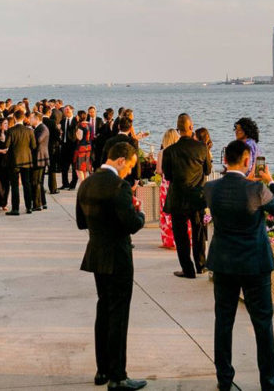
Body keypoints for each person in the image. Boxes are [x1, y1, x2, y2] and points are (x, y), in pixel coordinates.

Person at [205, 140, 274, 391]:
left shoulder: (211, 188)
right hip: (255, 263)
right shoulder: (256, 189)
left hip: (224, 263)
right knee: (263, 323)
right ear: (245, 159)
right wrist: (269, 180)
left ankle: (224, 378)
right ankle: (269, 382)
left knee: (224, 321)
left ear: (225, 160)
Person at [75, 142, 147, 391]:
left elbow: (81, 223)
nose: (129, 171)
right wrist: (141, 214)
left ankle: (102, 369)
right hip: (117, 256)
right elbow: (131, 224)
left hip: (96, 253)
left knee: (103, 309)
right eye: (129, 166)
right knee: (118, 314)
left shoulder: (86, 183)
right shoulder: (119, 186)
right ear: (120, 160)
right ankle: (118, 376)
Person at [162, 113, 212, 279]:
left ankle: (187, 269)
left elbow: (168, 176)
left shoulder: (169, 151)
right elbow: (208, 170)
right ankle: (201, 265)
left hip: (177, 198)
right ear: (191, 127)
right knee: (198, 232)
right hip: (197, 197)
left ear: (178, 129)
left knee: (181, 236)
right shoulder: (202, 148)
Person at [4, 112, 37, 215]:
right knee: (26, 183)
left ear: (14, 118)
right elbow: (34, 146)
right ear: (24, 118)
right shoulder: (30, 131)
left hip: (14, 160)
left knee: (14, 185)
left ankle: (15, 208)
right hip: (26, 160)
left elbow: (6, 145)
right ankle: (29, 207)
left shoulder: (11, 130)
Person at [156, 128, 181, 249]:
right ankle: (179, 239)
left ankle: (168, 240)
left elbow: (159, 171)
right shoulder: (180, 151)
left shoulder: (162, 152)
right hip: (177, 184)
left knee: (165, 211)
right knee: (177, 211)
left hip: (165, 185)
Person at [31, 111, 50, 210]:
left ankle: (37, 204)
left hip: (39, 158)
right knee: (39, 182)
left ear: (37, 119)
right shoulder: (38, 128)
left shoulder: (42, 128)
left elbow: (38, 141)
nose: (30, 120)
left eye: (32, 118)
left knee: (36, 182)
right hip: (39, 158)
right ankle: (43, 202)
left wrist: (29, 136)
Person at [60, 105, 79, 190]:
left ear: (72, 110)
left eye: (68, 109)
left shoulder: (75, 121)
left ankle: (73, 184)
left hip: (73, 146)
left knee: (74, 166)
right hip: (64, 146)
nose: (66, 111)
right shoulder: (63, 121)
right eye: (65, 110)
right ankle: (65, 183)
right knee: (64, 166)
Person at [75, 109, 94, 184]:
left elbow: (79, 137)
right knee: (85, 168)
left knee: (79, 168)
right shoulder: (90, 125)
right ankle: (86, 184)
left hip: (81, 148)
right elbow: (92, 136)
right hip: (89, 147)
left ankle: (83, 185)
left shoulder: (80, 125)